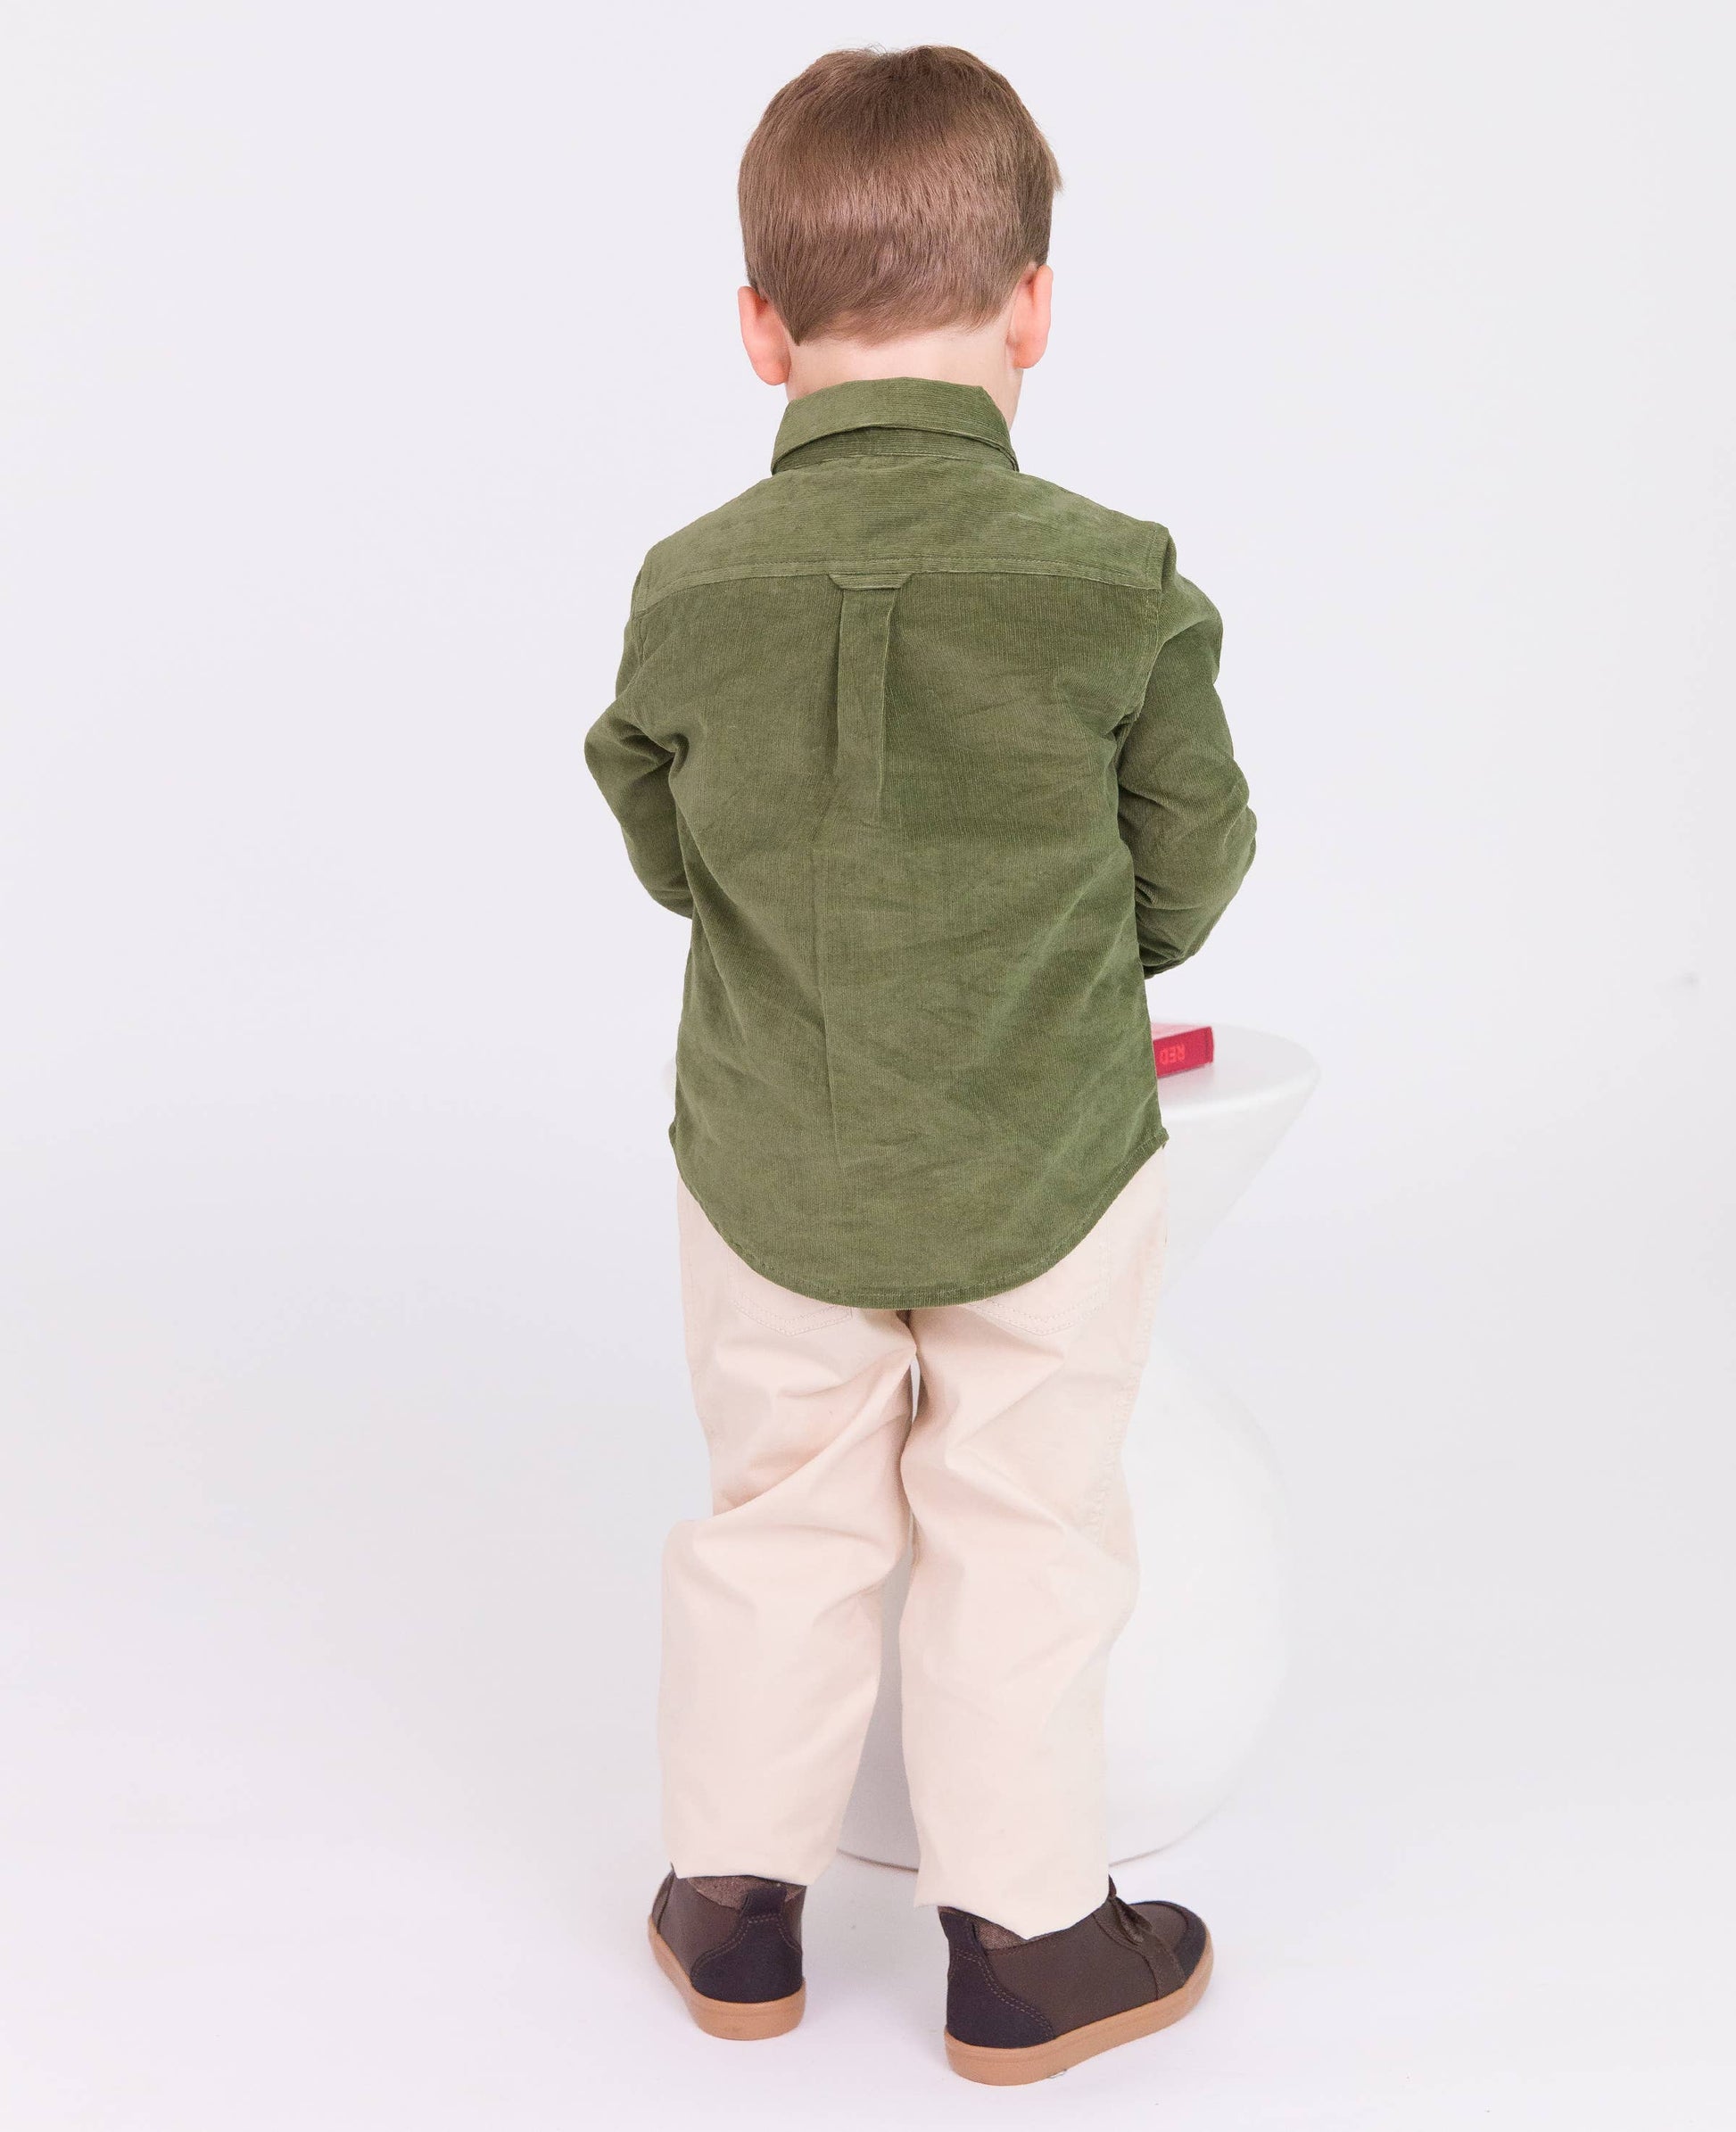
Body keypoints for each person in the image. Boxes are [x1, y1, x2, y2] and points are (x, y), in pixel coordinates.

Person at [585, 44, 1256, 2085]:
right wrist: (1080, 960)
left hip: (770, 1153)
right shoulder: (1113, 581)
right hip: (1039, 1153)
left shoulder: (687, 586)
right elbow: (1197, 849)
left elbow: (664, 842)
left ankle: (730, 1908)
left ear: (759, 326)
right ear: (1033, 306)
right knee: (1020, 1522)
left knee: (779, 1511)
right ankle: (1027, 1944)